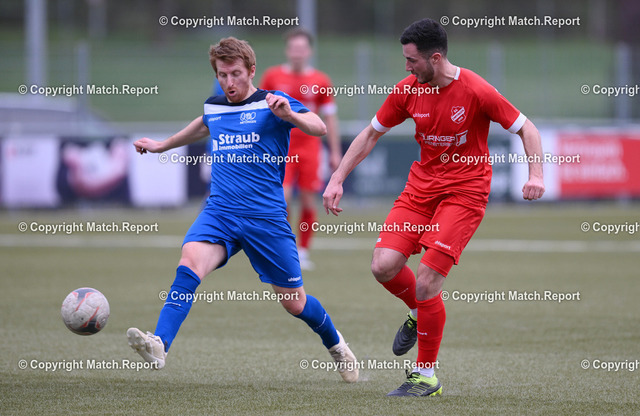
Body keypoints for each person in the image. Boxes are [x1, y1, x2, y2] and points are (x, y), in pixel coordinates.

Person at [323, 18, 545, 396]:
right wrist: (337, 178)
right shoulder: (408, 90)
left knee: (427, 280)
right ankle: (418, 311)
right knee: (383, 266)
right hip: (420, 190)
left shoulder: (475, 89)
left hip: (465, 194)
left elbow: (527, 128)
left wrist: (536, 174)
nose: (406, 66)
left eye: (412, 60)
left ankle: (426, 375)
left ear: (435, 58)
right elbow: (371, 133)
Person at [127, 36, 358, 383]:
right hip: (220, 212)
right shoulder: (215, 106)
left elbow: (319, 126)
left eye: (235, 73)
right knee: (189, 262)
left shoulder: (272, 102)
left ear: (251, 71)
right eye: (222, 75)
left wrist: (289, 114)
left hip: (265, 219)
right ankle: (160, 343)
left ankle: (336, 344)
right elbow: (203, 124)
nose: (229, 82)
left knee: (295, 303)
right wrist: (163, 146)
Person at [260, 28, 342, 270]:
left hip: (310, 149)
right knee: (282, 200)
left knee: (308, 200)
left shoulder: (321, 81)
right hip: (280, 149)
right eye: (293, 48)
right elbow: (260, 112)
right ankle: (285, 248)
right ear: (287, 50)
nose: (297, 53)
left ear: (309, 51)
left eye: (302, 48)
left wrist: (335, 151)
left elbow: (330, 119)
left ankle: (303, 251)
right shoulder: (272, 77)